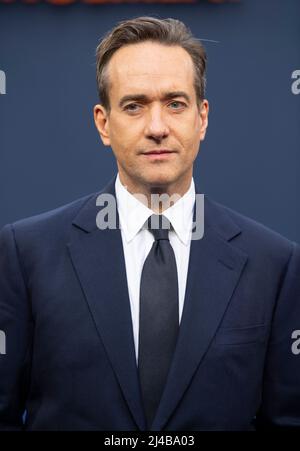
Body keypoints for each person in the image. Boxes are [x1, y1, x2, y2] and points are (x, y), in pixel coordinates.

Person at [0, 16, 299, 431]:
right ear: (103, 123)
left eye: (175, 103)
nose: (157, 128)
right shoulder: (25, 253)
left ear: (202, 118)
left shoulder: (275, 265)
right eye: (134, 106)